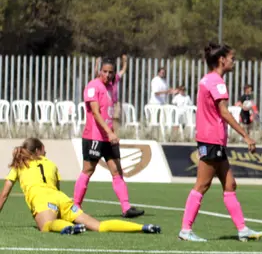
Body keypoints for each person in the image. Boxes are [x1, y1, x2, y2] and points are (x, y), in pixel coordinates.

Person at [178, 42, 262, 243]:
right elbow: (223, 111)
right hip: (211, 139)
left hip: (212, 139)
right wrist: (245, 135)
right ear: (221, 60)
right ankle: (185, 229)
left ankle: (242, 229)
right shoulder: (217, 82)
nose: (234, 61)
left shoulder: (207, 80)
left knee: (230, 184)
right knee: (202, 185)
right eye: (232, 58)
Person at [0, 138, 160, 235]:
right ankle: (142, 227)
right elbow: (57, 189)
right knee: (99, 226)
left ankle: (67, 228)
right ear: (37, 151)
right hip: (62, 199)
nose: (46, 154)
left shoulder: (19, 165)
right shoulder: (51, 164)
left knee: (47, 226)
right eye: (44, 151)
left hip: (42, 200)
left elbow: (4, 195)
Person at [74, 57, 144, 219]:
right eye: (104, 71)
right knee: (88, 170)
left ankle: (126, 208)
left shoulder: (112, 86)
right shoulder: (93, 86)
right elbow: (96, 113)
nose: (107, 75)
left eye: (110, 72)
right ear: (100, 71)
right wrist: (110, 132)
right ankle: (76, 206)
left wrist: (111, 132)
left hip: (108, 137)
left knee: (116, 170)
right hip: (94, 137)